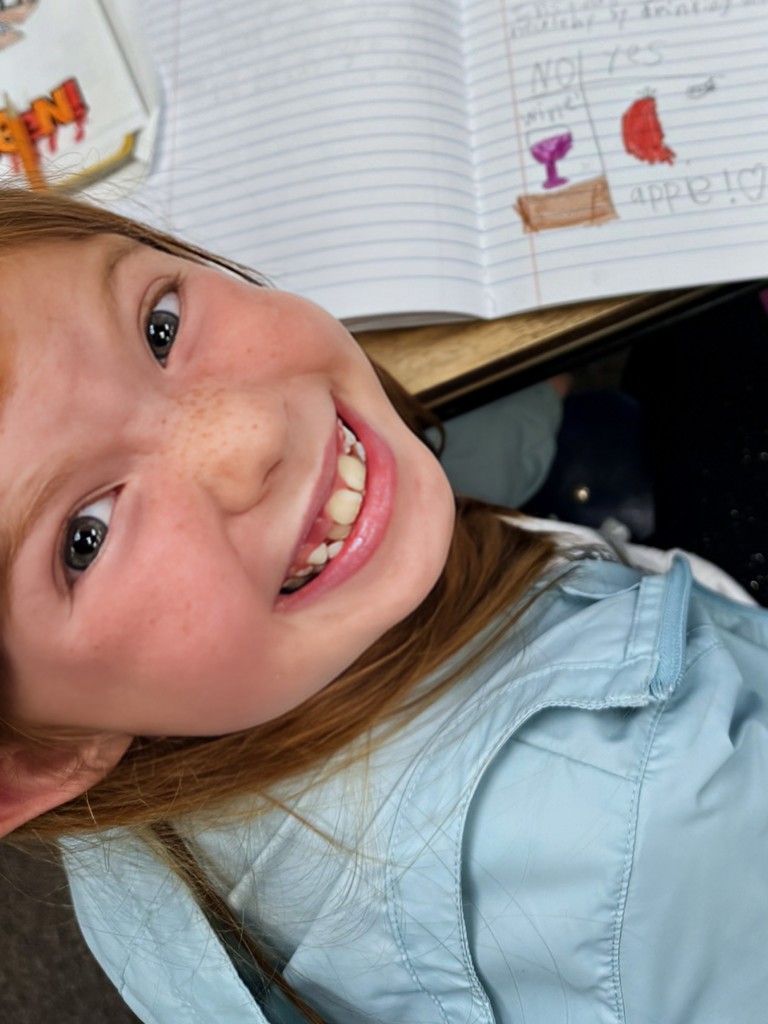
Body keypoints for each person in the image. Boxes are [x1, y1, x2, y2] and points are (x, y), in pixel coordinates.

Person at [0, 186, 766, 1024]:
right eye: (86, 536)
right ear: (29, 765)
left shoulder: (130, 789)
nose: (249, 435)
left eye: (162, 327)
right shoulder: (673, 821)